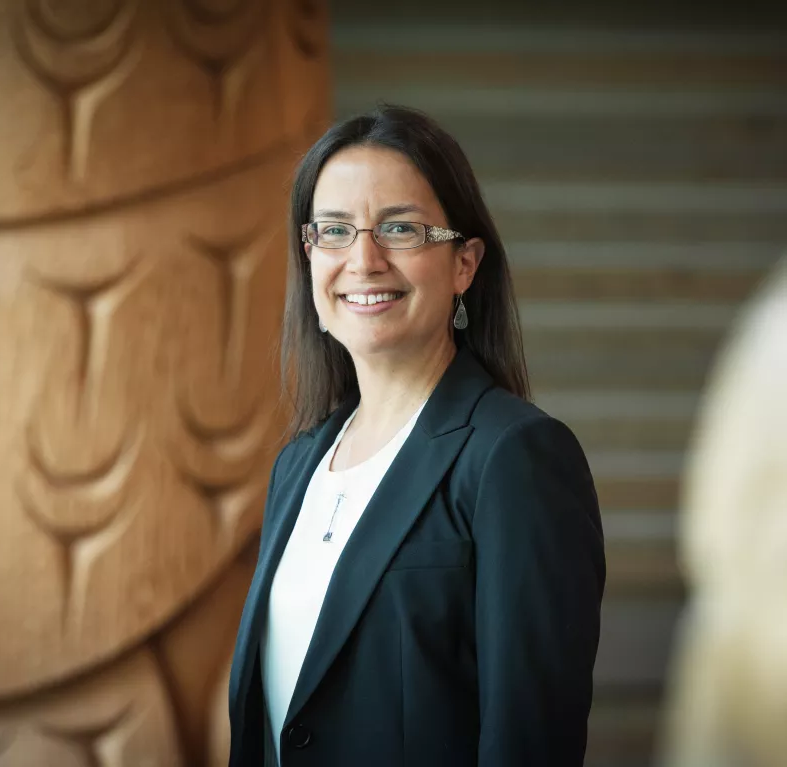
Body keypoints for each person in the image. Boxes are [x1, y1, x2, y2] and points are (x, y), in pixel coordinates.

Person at [227, 105, 606, 767]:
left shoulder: (512, 458)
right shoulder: (299, 464)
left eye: (399, 228)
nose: (364, 260)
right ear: (309, 256)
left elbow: (530, 742)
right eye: (335, 231)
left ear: (464, 263)